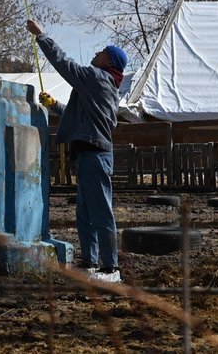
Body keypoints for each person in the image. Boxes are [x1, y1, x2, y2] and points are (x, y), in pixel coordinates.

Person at [26, 19, 128, 283]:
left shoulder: (96, 78)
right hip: (88, 153)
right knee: (84, 212)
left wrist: (42, 36)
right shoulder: (100, 85)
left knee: (100, 211)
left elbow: (65, 65)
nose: (96, 54)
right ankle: (91, 262)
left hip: (95, 155)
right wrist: (55, 105)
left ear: (109, 62)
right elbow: (80, 117)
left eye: (102, 52)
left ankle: (110, 269)